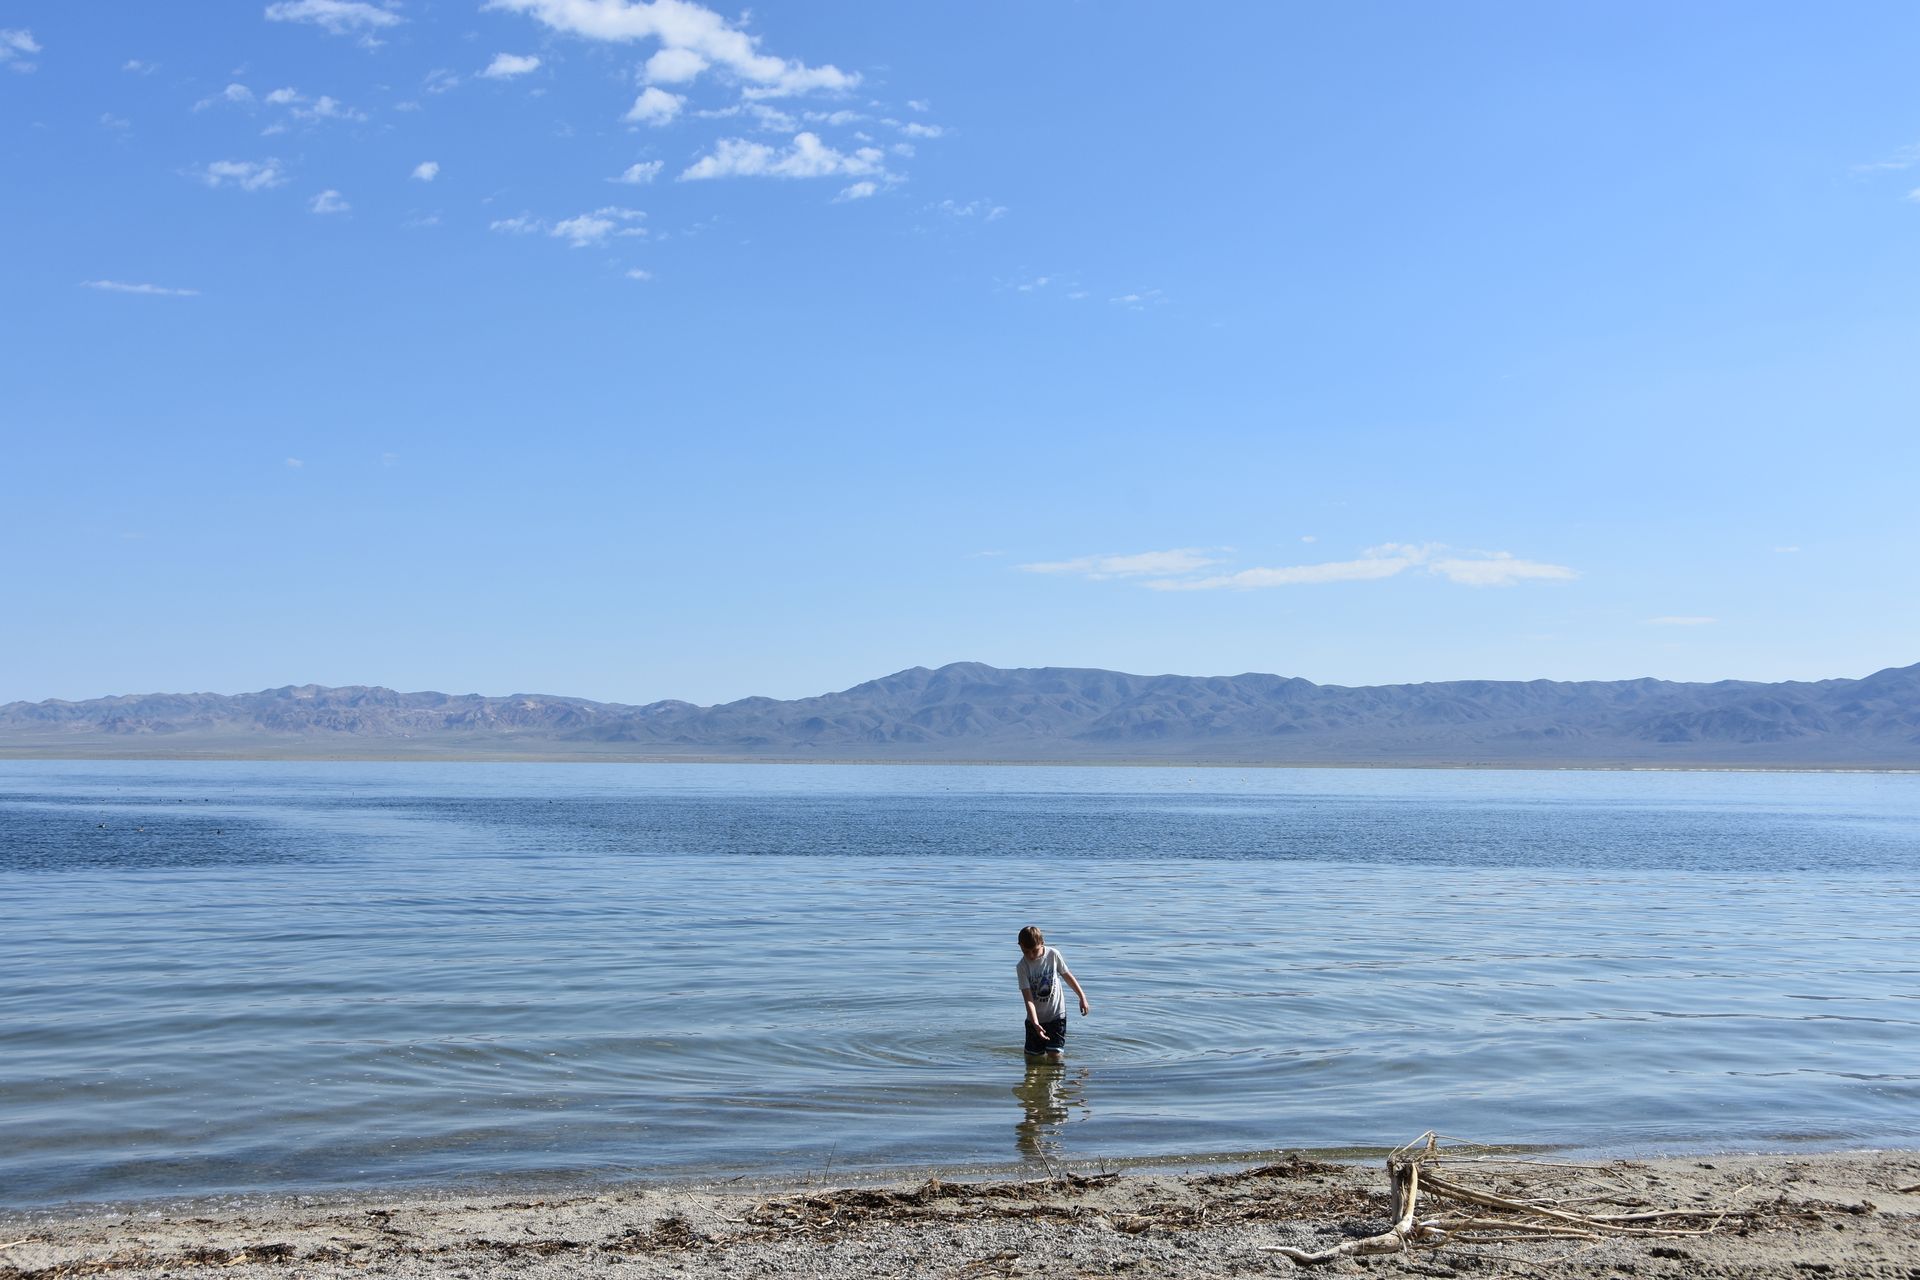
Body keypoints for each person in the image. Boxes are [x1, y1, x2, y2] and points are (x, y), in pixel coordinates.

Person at [1016, 924, 1090, 1057]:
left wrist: (1082, 997)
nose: (1031, 955)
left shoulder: (1053, 955)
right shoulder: (1022, 966)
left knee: (1055, 1056)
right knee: (1032, 1058)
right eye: (1026, 951)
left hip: (1056, 1015)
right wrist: (1036, 1023)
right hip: (1035, 1018)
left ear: (1042, 943)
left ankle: (1056, 1077)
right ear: (1020, 946)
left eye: (1034, 950)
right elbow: (1028, 999)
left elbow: (1067, 976)